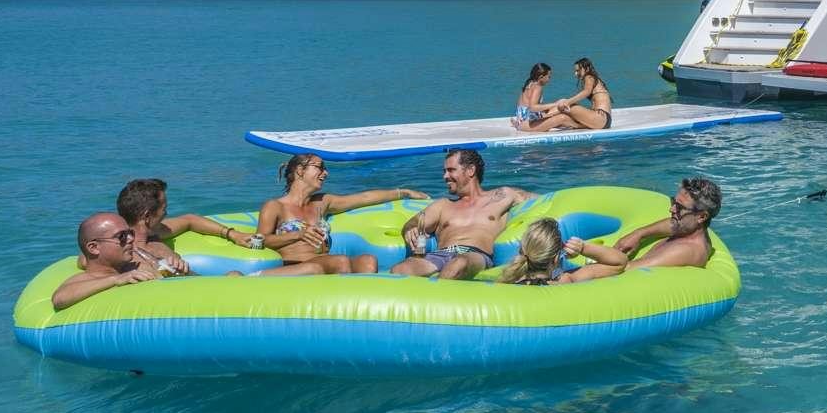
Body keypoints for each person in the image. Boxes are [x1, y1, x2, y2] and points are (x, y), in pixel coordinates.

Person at [256, 154, 427, 275]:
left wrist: (403, 192)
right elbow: (261, 240)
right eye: (320, 167)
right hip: (295, 265)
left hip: (327, 263)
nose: (326, 173)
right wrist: (298, 235)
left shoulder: (322, 202)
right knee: (341, 262)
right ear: (300, 170)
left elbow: (364, 198)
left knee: (368, 261)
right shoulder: (275, 206)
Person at [389, 149, 534, 279]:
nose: (445, 176)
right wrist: (410, 229)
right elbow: (415, 223)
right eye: (444, 171)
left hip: (476, 255)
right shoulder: (443, 205)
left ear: (470, 170)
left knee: (458, 264)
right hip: (441, 254)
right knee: (400, 269)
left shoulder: (502, 196)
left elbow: (544, 200)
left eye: (451, 170)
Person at [81, 178, 251, 275]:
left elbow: (190, 220)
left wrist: (232, 234)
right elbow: (86, 261)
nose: (166, 214)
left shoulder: (155, 231)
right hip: (185, 299)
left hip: (199, 283)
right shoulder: (124, 253)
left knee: (234, 275)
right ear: (147, 216)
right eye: (164, 210)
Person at [51, 213, 160, 310]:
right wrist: (115, 279)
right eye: (122, 236)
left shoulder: (133, 267)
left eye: (130, 233)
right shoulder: (89, 278)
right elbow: (59, 299)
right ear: (94, 248)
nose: (131, 239)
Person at [610, 177, 722, 269]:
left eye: (680, 207)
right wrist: (639, 234)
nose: (672, 209)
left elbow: (625, 269)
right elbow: (672, 225)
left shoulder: (686, 250)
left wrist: (594, 252)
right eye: (674, 202)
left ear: (701, 216)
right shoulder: (687, 228)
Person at [496, 216, 630, 286]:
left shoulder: (509, 280)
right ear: (555, 258)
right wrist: (583, 247)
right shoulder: (566, 280)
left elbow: (551, 273)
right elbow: (620, 262)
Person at [525, 57, 613, 132]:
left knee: (565, 104)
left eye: (578, 71)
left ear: (586, 69)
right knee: (564, 117)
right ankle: (542, 118)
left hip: (601, 117)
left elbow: (586, 92)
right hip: (601, 120)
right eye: (575, 71)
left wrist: (568, 102)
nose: (576, 74)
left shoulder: (589, 76)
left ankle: (538, 120)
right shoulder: (592, 78)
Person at [511, 61, 553, 130]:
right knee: (559, 116)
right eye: (549, 77)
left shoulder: (529, 83)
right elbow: (532, 107)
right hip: (529, 120)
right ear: (541, 77)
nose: (549, 80)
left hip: (520, 116)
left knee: (551, 110)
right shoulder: (538, 87)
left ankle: (517, 123)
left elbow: (522, 104)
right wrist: (554, 104)